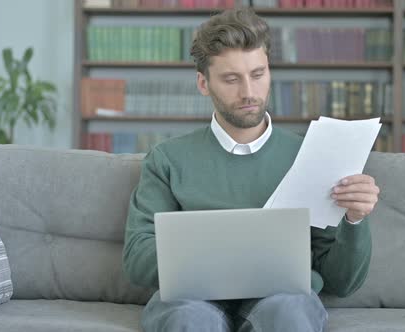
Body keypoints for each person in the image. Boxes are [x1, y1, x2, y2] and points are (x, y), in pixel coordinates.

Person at [123, 8, 379, 332]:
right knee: (189, 319)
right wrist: (217, 257)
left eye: (258, 75)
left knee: (291, 314)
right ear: (203, 83)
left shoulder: (310, 155)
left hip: (283, 300)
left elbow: (342, 282)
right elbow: (137, 258)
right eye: (231, 79)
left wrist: (355, 219)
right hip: (189, 300)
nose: (248, 92)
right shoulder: (167, 160)